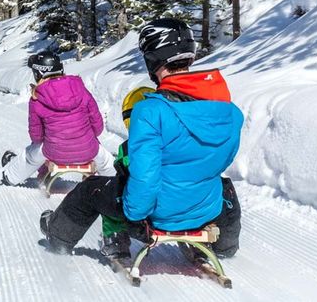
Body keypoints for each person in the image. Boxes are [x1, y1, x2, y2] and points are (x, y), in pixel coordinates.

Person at [39, 18, 243, 259]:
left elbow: (145, 177)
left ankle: (59, 238)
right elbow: (219, 161)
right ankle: (225, 246)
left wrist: (134, 216)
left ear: (152, 58)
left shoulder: (150, 111)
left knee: (90, 189)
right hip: (205, 210)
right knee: (220, 182)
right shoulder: (229, 111)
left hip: (156, 215)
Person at [0, 51, 113, 186]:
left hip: (54, 151)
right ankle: (115, 183)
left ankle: (10, 177)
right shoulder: (81, 89)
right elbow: (98, 127)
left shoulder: (37, 98)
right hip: (88, 149)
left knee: (30, 156)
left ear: (38, 74)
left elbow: (37, 137)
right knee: (106, 162)